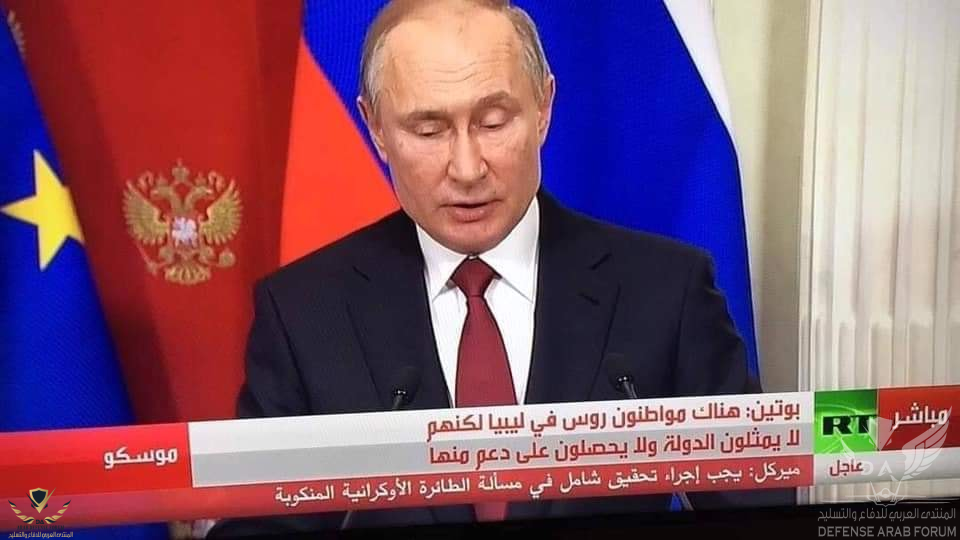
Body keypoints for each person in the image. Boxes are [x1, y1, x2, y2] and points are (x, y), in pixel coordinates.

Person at [207, 0, 792, 536]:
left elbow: (755, 503)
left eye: (493, 122)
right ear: (377, 129)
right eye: (428, 130)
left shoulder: (665, 293)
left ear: (543, 108)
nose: (467, 168)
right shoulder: (305, 313)